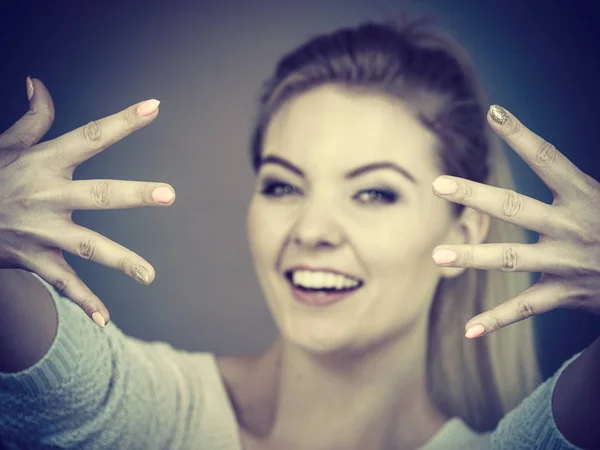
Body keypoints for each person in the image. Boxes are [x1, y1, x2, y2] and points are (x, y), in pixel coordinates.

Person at [0, 15, 599, 450]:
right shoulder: (146, 417)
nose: (311, 230)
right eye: (284, 186)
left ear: (464, 235)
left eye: (374, 193)